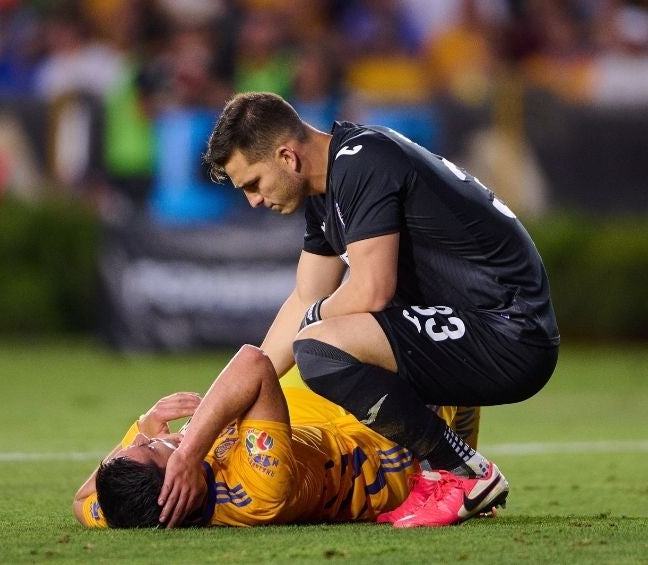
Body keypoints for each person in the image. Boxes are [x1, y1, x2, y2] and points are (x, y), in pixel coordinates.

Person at [157, 92, 559, 528]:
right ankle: (445, 470)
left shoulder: (363, 162)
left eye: (253, 183)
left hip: (512, 333)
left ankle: (464, 472)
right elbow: (304, 299)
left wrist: (313, 327)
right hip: (476, 326)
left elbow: (370, 291)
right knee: (320, 337)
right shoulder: (330, 184)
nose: (253, 200)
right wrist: (217, 415)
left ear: (287, 156)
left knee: (320, 350)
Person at [74, 345, 466, 528]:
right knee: (435, 356)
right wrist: (190, 451)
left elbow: (82, 499)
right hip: (381, 447)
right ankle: (462, 474)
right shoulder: (260, 487)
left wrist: (145, 427)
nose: (145, 439)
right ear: (177, 490)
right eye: (157, 449)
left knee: (311, 329)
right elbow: (251, 362)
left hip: (311, 420)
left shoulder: (129, 509)